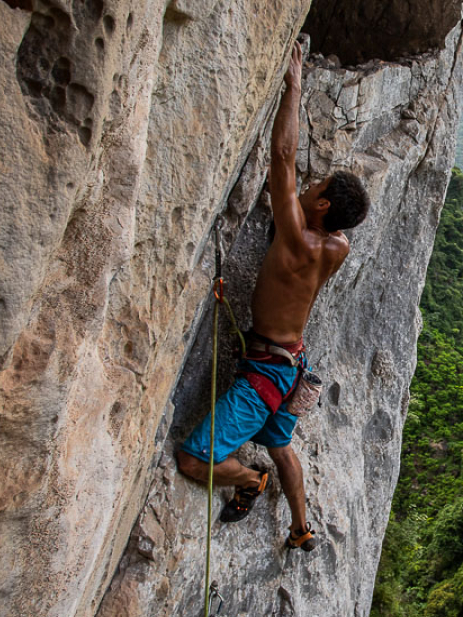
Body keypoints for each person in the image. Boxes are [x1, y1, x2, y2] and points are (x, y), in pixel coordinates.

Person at [176, 41, 370, 552]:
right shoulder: (337, 247)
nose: (305, 186)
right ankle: (301, 527)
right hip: (293, 367)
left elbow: (281, 159)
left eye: (316, 186)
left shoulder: (298, 240)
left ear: (322, 204)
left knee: (194, 460)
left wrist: (294, 84)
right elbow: (313, 194)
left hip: (265, 375)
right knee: (281, 444)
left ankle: (249, 482)